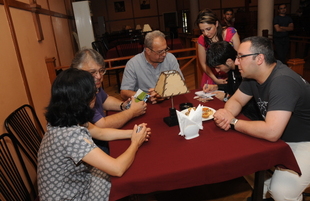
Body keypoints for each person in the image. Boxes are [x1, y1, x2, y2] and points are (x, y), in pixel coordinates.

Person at [213, 36, 310, 201]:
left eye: (240, 57)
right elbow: (236, 100)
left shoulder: (282, 81)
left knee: (280, 191)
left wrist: (233, 122)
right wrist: (227, 113)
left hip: (304, 141)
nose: (236, 62)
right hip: (284, 139)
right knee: (260, 185)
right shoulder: (253, 77)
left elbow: (272, 131)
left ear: (259, 59)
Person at [37, 68, 151, 200]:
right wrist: (135, 143)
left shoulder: (66, 117)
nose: (96, 96)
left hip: (72, 185)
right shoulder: (70, 136)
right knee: (118, 176)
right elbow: (117, 169)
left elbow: (100, 133)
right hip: (70, 196)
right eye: (94, 93)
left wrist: (133, 133)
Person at [71, 49, 147, 153]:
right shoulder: (79, 93)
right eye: (93, 72)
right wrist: (132, 112)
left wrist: (122, 106)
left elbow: (105, 99)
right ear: (77, 72)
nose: (98, 76)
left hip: (100, 137)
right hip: (92, 146)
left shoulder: (92, 85)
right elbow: (101, 126)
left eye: (101, 71)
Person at [120, 30, 184, 104]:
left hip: (169, 101)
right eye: (160, 52)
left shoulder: (170, 58)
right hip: (143, 104)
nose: (164, 54)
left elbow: (180, 84)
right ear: (148, 51)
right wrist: (146, 97)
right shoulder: (133, 64)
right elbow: (124, 93)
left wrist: (164, 93)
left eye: (165, 49)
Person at [195, 8, 240, 92]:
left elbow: (238, 58)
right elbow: (203, 63)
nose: (206, 33)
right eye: (202, 30)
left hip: (231, 73)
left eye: (208, 29)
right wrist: (215, 79)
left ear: (216, 23)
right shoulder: (202, 39)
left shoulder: (231, 32)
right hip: (212, 75)